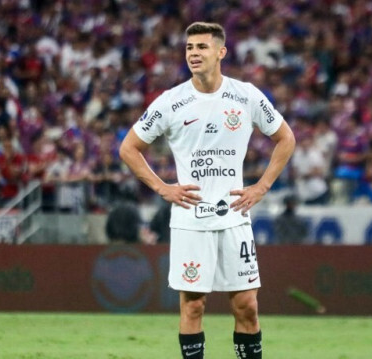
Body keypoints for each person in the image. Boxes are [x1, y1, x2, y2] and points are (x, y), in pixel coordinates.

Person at [119, 22, 295, 359]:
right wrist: (162, 187)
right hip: (190, 220)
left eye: (201, 47)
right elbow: (129, 147)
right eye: (189, 48)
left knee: (247, 307)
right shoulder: (171, 102)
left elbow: (286, 138)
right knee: (193, 307)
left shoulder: (246, 95)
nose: (194, 54)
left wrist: (262, 186)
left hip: (234, 218)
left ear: (221, 52)